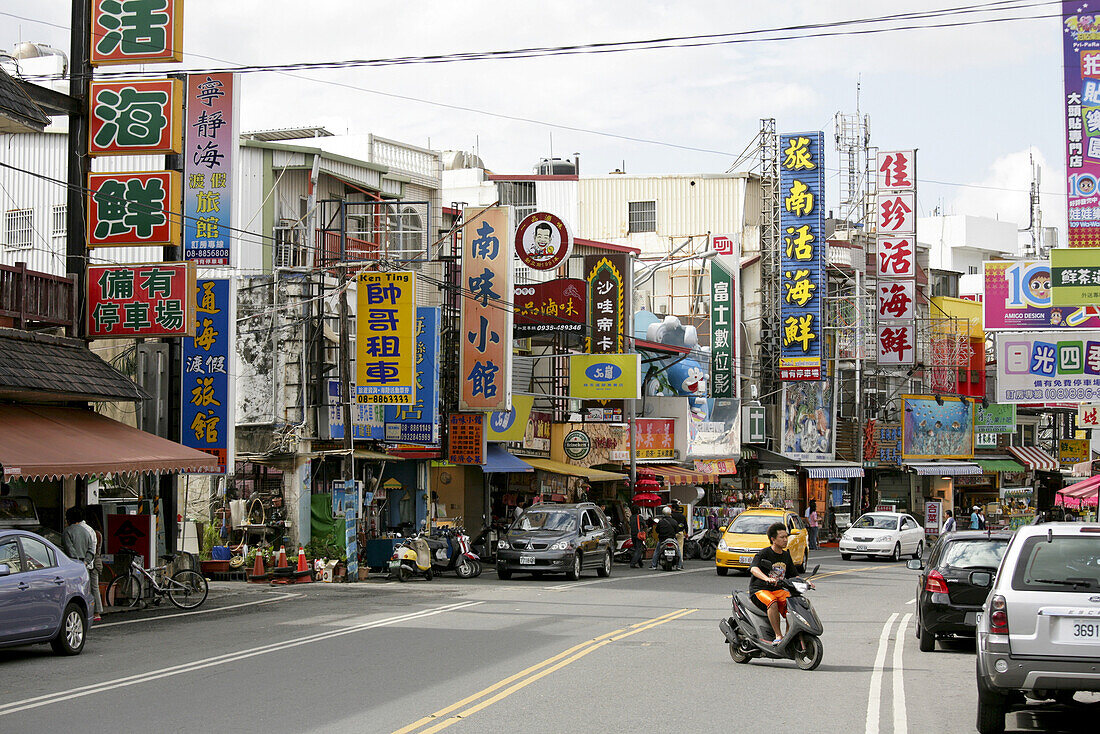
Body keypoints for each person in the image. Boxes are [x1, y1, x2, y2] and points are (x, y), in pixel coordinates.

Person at [749, 522, 813, 646]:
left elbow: (794, 575)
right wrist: (766, 578)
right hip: (760, 590)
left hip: (778, 590)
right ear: (773, 539)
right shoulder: (764, 554)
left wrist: (805, 582)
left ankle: (788, 636)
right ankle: (778, 635)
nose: (785, 540)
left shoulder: (786, 555)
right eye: (782, 537)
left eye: (786, 537)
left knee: (793, 604)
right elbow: (754, 569)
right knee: (772, 602)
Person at [61, 506, 95, 578]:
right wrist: (85, 562)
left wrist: (77, 563)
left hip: (72, 567)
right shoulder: (86, 531)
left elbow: (69, 549)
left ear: (69, 518)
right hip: (85, 568)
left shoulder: (67, 531)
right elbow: (91, 550)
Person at [85, 508, 104, 621]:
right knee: (94, 587)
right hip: (96, 562)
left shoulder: (92, 533)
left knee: (92, 587)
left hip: (93, 562)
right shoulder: (97, 533)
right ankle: (97, 611)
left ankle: (96, 611)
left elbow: (93, 550)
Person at [629, 504, 648, 568]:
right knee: (639, 549)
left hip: (633, 535)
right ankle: (633, 563)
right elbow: (644, 525)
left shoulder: (631, 517)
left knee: (636, 548)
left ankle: (640, 563)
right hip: (639, 535)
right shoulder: (639, 517)